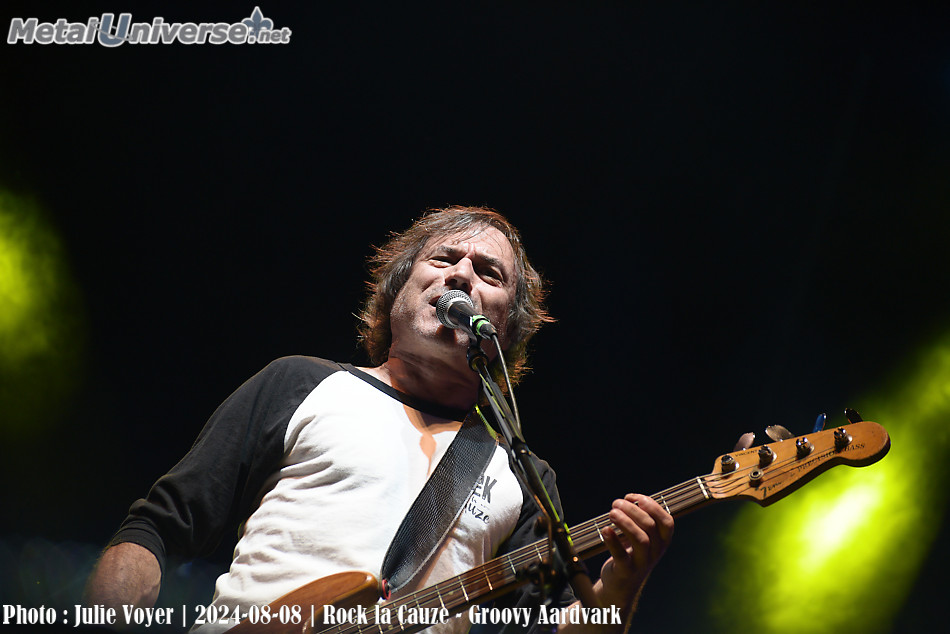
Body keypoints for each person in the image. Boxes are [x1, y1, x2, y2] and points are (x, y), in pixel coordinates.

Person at [85, 206, 674, 632]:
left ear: (507, 327)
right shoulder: (303, 384)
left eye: (488, 273)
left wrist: (621, 587)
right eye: (444, 259)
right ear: (398, 293)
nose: (462, 275)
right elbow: (157, 529)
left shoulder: (523, 475)